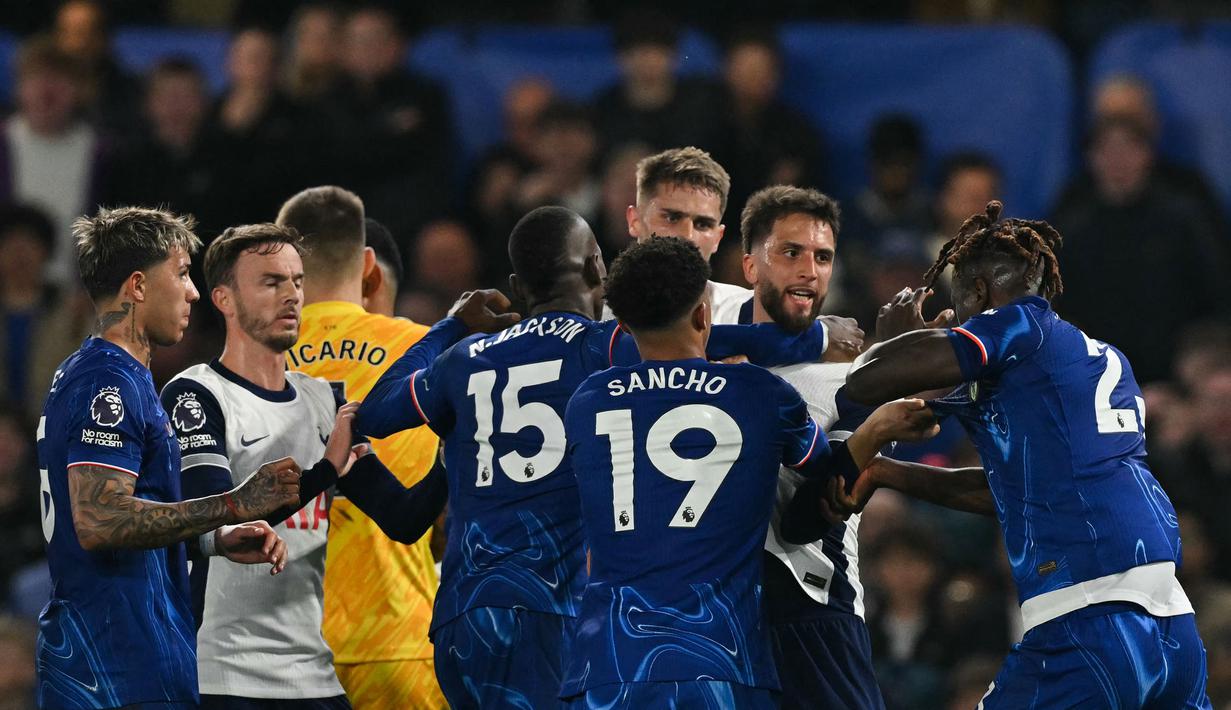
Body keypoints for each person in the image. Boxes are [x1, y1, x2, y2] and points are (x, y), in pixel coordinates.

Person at [355, 207, 840, 708]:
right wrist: (818, 337)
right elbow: (691, 336)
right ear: (596, 271)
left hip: (465, 615)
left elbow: (375, 411)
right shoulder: (601, 352)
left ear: (519, 286)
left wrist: (449, 325)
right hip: (557, 611)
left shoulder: (465, 357)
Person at [841, 200, 1212, 708]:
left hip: (1087, 619)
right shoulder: (1095, 360)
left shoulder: (1017, 323)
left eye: (960, 308)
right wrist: (887, 472)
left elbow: (866, 382)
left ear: (979, 292)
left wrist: (897, 342)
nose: (959, 322)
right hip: (1172, 625)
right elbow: (1008, 490)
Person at [559, 236, 936, 708]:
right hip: (719, 662)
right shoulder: (758, 393)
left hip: (607, 665)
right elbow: (829, 478)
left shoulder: (586, 401)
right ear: (703, 315)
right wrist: (880, 407)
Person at [35, 206, 299, 709]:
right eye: (180, 274)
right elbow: (100, 520)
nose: (193, 292)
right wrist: (233, 504)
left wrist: (208, 540)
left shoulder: (104, 372)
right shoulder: (106, 381)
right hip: (116, 664)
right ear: (137, 286)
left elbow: (119, 517)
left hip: (120, 656)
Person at [158, 223, 370, 708]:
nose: (292, 295)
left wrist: (455, 449)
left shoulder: (324, 398)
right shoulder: (196, 394)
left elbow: (402, 517)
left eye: (297, 281)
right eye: (272, 282)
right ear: (224, 299)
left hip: (316, 675)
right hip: (225, 673)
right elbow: (220, 516)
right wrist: (326, 471)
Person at [734, 185, 905, 709]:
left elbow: (809, 518)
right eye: (791, 252)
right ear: (750, 267)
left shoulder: (853, 380)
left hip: (812, 613)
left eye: (822, 257)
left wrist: (874, 432)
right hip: (713, 619)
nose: (809, 269)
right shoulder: (701, 363)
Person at [276, 186, 446, 709]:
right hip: (397, 643)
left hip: (279, 651)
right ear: (370, 266)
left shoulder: (249, 359)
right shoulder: (427, 353)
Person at [622, 147, 863, 357]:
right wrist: (819, 338)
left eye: (703, 224)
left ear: (718, 238)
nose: (687, 236)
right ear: (634, 220)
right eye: (671, 217)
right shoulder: (597, 311)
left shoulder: (747, 311)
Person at [0, 204, 91, 417]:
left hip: (55, 426)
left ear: (47, 251)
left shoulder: (74, 310)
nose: (20, 254)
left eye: (30, 244)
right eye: (10, 244)